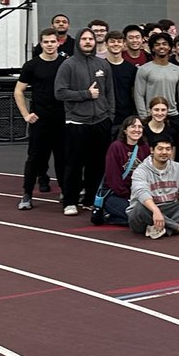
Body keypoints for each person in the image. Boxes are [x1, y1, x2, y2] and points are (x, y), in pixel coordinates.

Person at [54, 28, 115, 216]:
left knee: (96, 164)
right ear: (78, 42)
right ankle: (70, 201)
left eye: (91, 39)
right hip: (77, 123)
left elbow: (109, 93)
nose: (88, 42)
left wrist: (109, 115)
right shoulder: (68, 65)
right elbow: (60, 92)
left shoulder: (103, 65)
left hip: (101, 121)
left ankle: (90, 199)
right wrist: (85, 95)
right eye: (84, 39)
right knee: (73, 164)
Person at [15, 27, 66, 210]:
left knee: (63, 158)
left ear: (58, 43)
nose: (50, 45)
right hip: (39, 120)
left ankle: (65, 192)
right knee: (34, 158)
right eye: (46, 42)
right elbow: (18, 91)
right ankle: (27, 195)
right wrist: (26, 114)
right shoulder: (31, 65)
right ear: (41, 44)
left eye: (53, 41)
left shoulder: (66, 64)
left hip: (62, 119)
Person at [128, 140, 179, 238]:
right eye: (160, 149)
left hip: (169, 208)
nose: (164, 152)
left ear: (172, 151)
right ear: (152, 150)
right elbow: (141, 192)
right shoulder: (141, 171)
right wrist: (155, 210)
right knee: (139, 207)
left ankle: (161, 229)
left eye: (168, 149)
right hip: (147, 212)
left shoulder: (178, 168)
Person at [93, 115, 150, 225]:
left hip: (138, 193)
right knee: (136, 217)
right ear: (125, 130)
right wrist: (127, 195)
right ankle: (113, 216)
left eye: (140, 127)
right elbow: (113, 178)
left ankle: (116, 217)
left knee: (145, 214)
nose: (137, 130)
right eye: (133, 127)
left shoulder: (145, 147)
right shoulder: (116, 147)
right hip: (116, 194)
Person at [135, 31, 179, 121]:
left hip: (172, 115)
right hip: (151, 116)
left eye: (165, 44)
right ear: (152, 48)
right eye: (157, 44)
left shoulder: (178, 70)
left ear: (169, 47)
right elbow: (139, 95)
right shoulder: (144, 69)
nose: (161, 47)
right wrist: (144, 118)